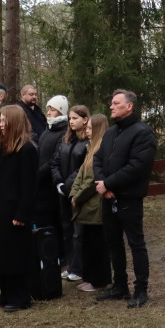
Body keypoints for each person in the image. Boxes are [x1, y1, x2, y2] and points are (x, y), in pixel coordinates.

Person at [93, 89, 158, 308]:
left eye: (115, 103)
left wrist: (109, 184)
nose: (111, 106)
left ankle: (141, 290)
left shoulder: (143, 133)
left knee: (136, 244)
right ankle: (120, 285)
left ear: (129, 106)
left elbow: (137, 167)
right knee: (113, 243)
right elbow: (98, 159)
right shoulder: (110, 133)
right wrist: (102, 185)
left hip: (129, 199)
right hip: (108, 198)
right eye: (111, 103)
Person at [0, 104, 39, 312]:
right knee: (0, 252)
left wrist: (22, 213)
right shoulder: (3, 147)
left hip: (15, 210)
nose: (0, 124)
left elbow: (29, 186)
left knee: (15, 254)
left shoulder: (27, 149)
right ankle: (5, 292)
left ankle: (20, 297)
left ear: (14, 122)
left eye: (3, 120)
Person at [70, 114, 111, 293]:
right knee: (87, 243)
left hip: (95, 205)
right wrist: (73, 193)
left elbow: (92, 181)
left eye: (89, 128)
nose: (86, 131)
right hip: (85, 205)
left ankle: (99, 280)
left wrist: (78, 197)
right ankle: (89, 277)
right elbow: (80, 175)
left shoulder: (101, 150)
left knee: (97, 245)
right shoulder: (89, 149)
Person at [52, 105, 90, 282]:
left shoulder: (87, 142)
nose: (71, 122)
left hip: (77, 192)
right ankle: (69, 263)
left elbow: (82, 168)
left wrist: (67, 186)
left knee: (78, 231)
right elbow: (55, 162)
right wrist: (58, 182)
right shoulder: (64, 140)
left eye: (75, 118)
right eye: (70, 118)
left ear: (85, 119)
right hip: (62, 192)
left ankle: (79, 266)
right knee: (66, 229)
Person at [36, 95, 69, 254]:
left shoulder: (63, 132)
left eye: (53, 110)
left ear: (61, 111)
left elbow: (54, 160)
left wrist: (37, 175)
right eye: (48, 109)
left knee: (56, 222)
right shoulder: (46, 131)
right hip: (41, 187)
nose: (48, 112)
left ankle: (60, 256)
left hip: (52, 185)